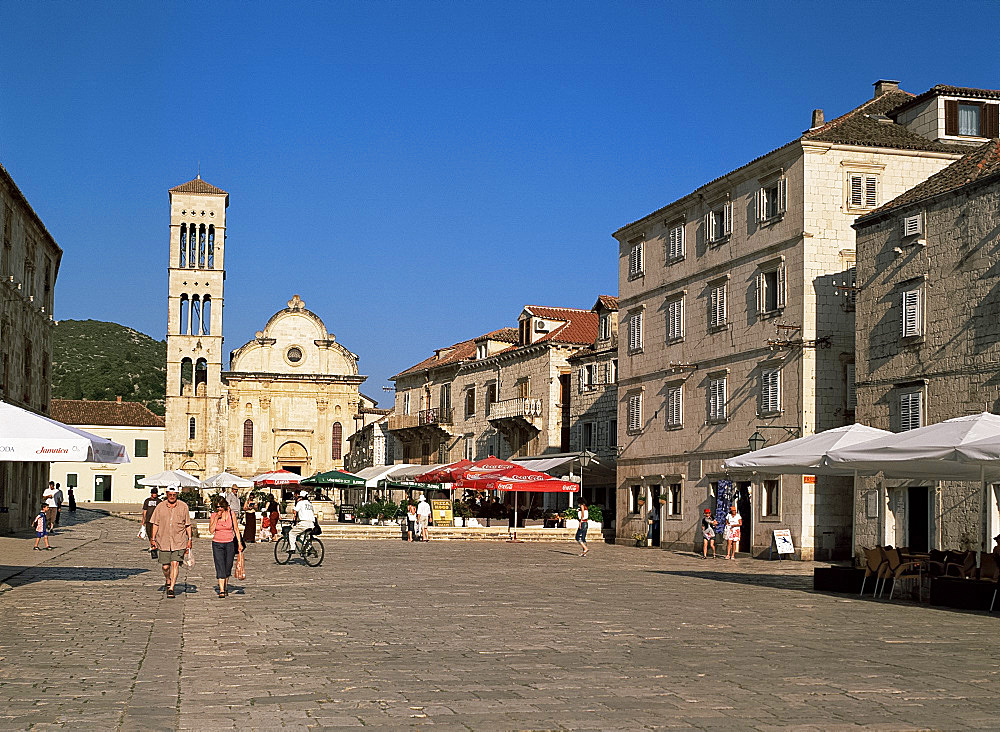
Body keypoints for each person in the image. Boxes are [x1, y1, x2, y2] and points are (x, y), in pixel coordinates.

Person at [150, 486, 192, 598]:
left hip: (179, 541)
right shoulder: (160, 507)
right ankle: (168, 579)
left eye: (174, 495)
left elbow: (187, 524)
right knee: (165, 566)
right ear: (167, 494)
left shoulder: (183, 506)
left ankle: (172, 588)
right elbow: (155, 523)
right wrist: (152, 539)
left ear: (177, 494)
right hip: (163, 540)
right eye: (170, 494)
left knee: (175, 563)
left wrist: (190, 539)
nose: (172, 497)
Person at [209, 496, 243, 598]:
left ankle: (225, 585)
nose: (219, 509)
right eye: (217, 507)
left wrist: (239, 543)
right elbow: (211, 530)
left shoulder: (231, 514)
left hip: (230, 543)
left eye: (221, 506)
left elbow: (236, 529)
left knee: (228, 566)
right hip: (217, 543)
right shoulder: (213, 515)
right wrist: (216, 518)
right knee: (220, 566)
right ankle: (222, 590)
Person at [140, 487, 160, 552]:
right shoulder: (147, 501)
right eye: (153, 493)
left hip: (156, 520)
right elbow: (145, 510)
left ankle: (155, 545)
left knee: (155, 533)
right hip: (148, 520)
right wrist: (143, 519)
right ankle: (151, 545)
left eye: (155, 493)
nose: (154, 494)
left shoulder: (159, 501)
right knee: (149, 533)